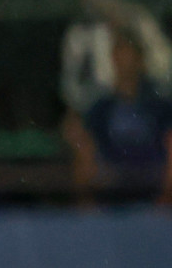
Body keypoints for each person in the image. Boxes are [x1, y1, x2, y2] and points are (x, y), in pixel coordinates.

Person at [62, 29, 172, 206]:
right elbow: (86, 147)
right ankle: (87, 209)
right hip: (111, 187)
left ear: (140, 59)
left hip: (152, 187)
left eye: (128, 53)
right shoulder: (101, 107)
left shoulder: (159, 105)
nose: (122, 60)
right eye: (118, 54)